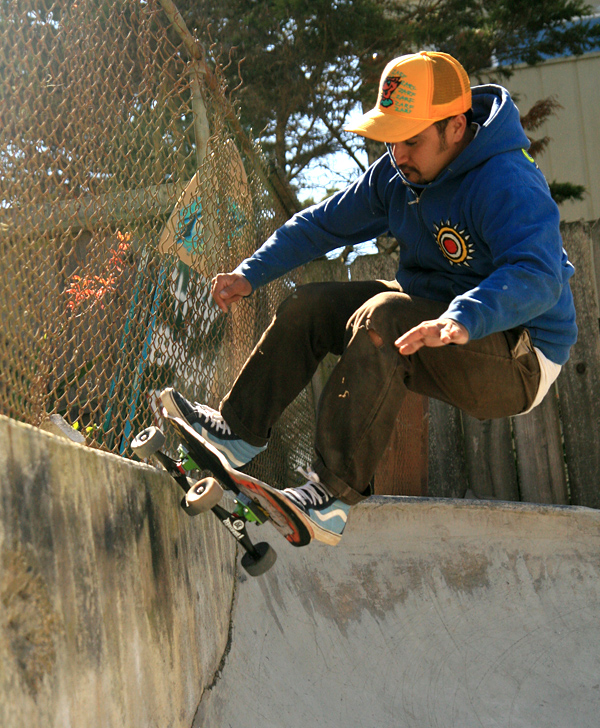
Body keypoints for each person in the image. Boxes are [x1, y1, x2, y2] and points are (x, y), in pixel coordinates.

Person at [161, 50, 577, 546]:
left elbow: (538, 274)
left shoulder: (506, 180)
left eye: (413, 142)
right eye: (392, 141)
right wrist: (251, 273)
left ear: (456, 127)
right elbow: (322, 223)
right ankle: (238, 431)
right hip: (439, 309)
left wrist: (465, 318)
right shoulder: (398, 176)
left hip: (519, 353)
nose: (399, 156)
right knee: (308, 305)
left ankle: (332, 496)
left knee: (386, 317)